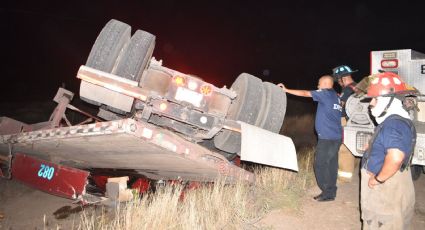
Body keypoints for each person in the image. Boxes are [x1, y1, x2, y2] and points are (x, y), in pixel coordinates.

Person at [360, 72, 418, 229]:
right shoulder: (398, 121)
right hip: (393, 182)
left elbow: (395, 157)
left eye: (375, 99)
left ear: (388, 100)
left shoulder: (393, 125)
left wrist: (377, 179)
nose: (371, 103)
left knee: (380, 223)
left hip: (385, 189)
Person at [277, 75, 342, 202]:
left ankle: (327, 192)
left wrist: (286, 90)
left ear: (325, 83)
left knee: (320, 164)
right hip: (336, 137)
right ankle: (331, 190)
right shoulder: (336, 96)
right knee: (332, 165)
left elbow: (305, 93)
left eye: (319, 84)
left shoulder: (325, 93)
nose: (317, 86)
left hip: (327, 138)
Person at [332, 65, 358, 182]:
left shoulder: (347, 89)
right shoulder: (357, 86)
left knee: (344, 148)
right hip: (355, 120)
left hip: (345, 120)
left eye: (338, 80)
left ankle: (344, 178)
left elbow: (340, 105)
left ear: (343, 78)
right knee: (354, 146)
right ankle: (353, 168)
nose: (338, 82)